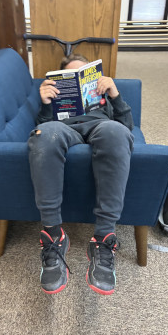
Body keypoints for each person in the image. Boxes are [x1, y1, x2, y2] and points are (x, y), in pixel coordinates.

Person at [28, 54, 134, 295]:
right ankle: (53, 235)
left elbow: (127, 127)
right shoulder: (53, 103)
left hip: (101, 126)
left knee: (116, 134)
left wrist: (115, 95)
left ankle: (104, 237)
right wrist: (46, 103)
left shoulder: (106, 101)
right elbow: (42, 125)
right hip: (64, 127)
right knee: (43, 135)